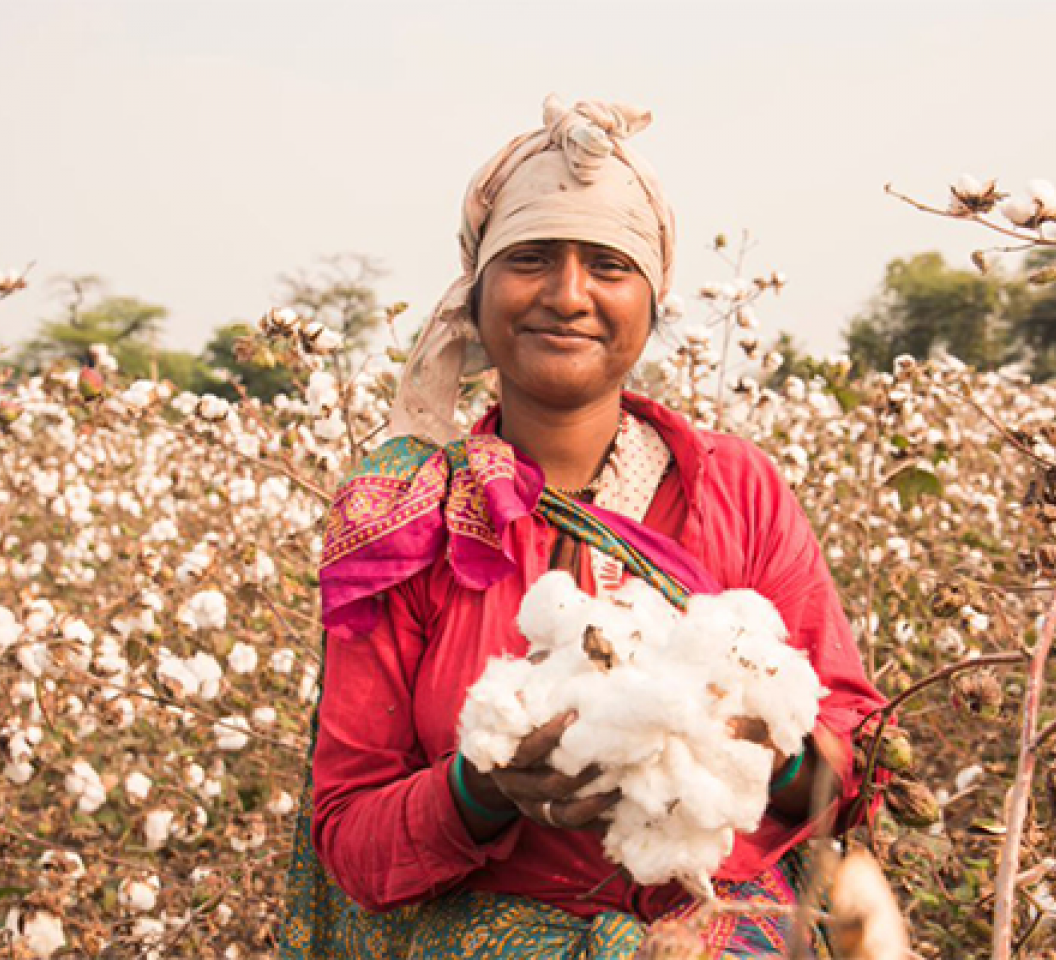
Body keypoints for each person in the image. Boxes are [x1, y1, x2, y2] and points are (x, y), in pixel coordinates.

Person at [278, 95, 886, 960]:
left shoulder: (737, 489)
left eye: (608, 265)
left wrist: (774, 751)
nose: (568, 296)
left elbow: (856, 765)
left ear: (652, 297)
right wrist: (478, 793)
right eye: (530, 259)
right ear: (477, 289)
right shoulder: (407, 519)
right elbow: (351, 834)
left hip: (722, 930)